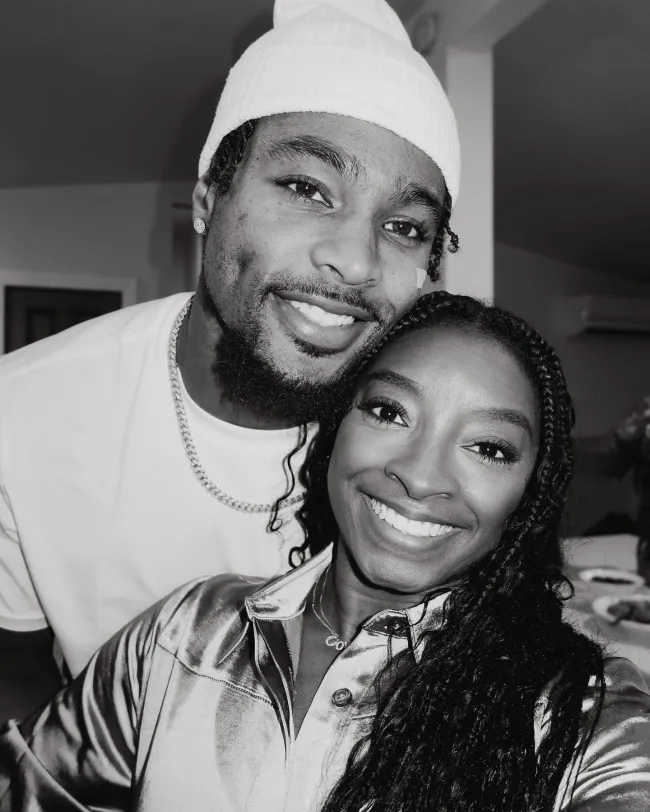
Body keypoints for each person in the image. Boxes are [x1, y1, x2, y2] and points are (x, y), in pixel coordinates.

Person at [2, 291, 649, 812]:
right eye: (390, 412)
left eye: (489, 448)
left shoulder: (577, 712)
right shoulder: (182, 636)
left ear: (526, 499)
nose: (421, 476)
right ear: (336, 428)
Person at [0, 0, 460, 718]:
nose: (354, 259)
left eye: (404, 226)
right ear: (208, 200)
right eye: (308, 189)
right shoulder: (25, 414)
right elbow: (16, 677)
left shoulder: (430, 443)